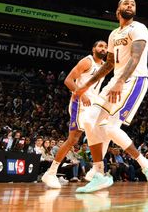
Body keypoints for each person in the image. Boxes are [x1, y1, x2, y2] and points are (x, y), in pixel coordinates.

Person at [73, 0, 148, 193]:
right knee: (88, 119)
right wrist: (85, 86)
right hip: (116, 81)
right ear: (117, 11)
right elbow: (110, 64)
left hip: (134, 80)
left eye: (133, 4)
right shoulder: (113, 34)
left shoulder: (138, 28)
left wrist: (120, 81)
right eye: (125, 3)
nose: (130, 5)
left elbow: (136, 57)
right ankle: (99, 174)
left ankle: (147, 166)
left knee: (110, 127)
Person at [42, 40, 109, 189]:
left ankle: (97, 171)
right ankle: (51, 172)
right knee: (73, 139)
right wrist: (81, 94)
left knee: (102, 132)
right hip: (79, 103)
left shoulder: (105, 65)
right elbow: (68, 80)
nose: (103, 48)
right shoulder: (87, 62)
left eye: (105, 47)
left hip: (93, 104)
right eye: (100, 46)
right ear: (93, 49)